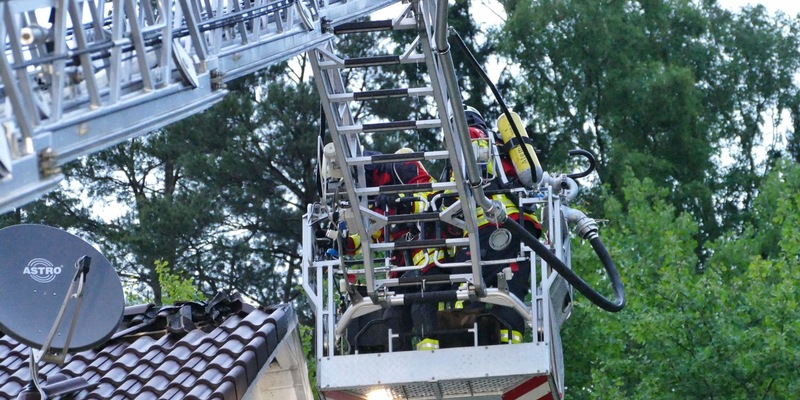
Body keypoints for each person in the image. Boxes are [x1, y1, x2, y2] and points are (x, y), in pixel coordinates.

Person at [454, 106, 542, 345]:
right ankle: (509, 341)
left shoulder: (469, 138)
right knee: (512, 287)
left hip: (490, 225)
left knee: (465, 287)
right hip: (523, 225)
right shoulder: (504, 147)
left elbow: (461, 184)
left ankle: (462, 342)